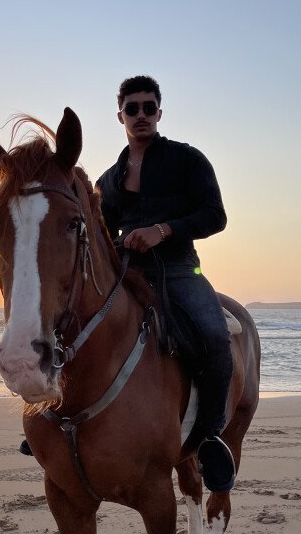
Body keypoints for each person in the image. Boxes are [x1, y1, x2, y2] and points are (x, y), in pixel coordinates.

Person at [95, 75, 235, 492]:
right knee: (71, 322)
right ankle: (55, 417)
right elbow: (101, 233)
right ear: (119, 114)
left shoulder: (187, 160)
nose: (141, 115)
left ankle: (209, 439)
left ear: (160, 112)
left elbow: (215, 216)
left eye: (149, 107)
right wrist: (119, 243)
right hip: (126, 271)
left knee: (214, 337)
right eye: (132, 108)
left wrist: (163, 229)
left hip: (178, 271)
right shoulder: (109, 179)